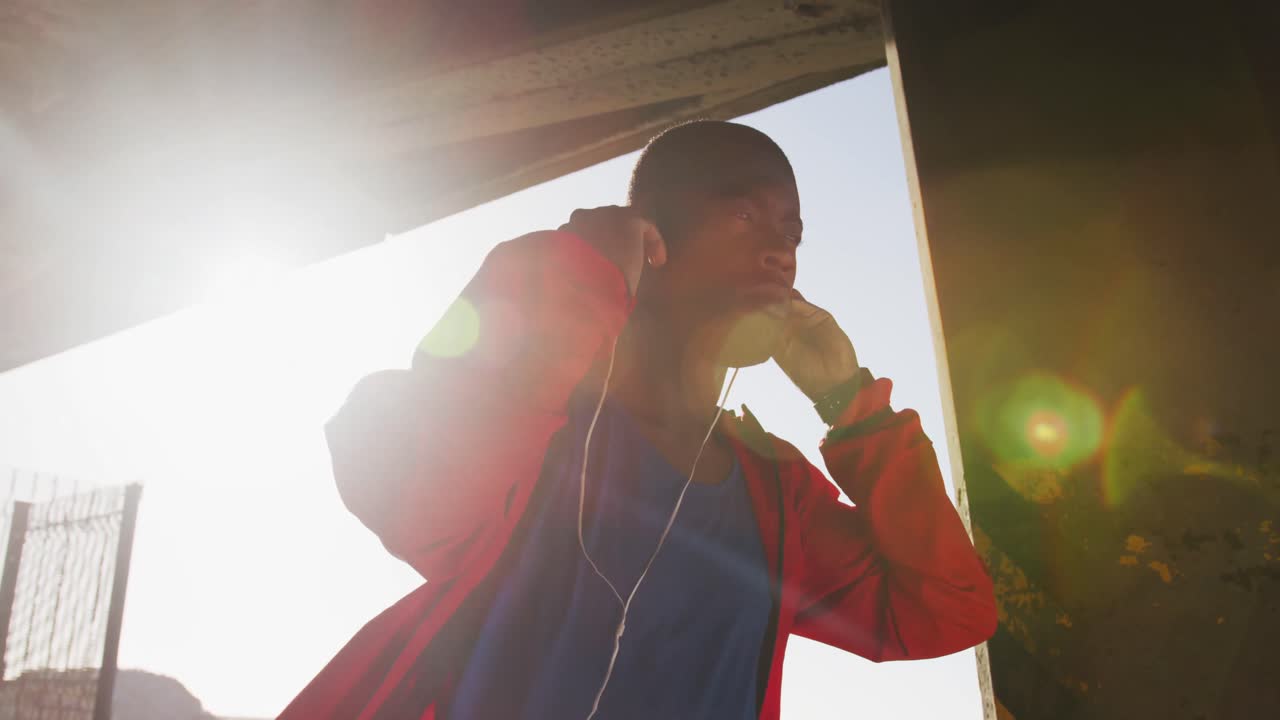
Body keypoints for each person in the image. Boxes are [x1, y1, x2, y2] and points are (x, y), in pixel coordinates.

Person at [279, 121, 997, 720]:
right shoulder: (539, 420)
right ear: (652, 234)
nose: (780, 250)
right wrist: (579, 272)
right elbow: (420, 506)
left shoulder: (775, 493)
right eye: (745, 215)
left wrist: (853, 409)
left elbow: (945, 614)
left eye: (792, 231)